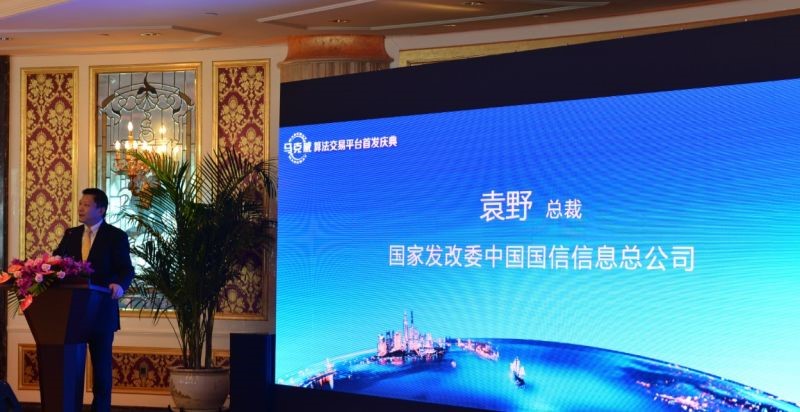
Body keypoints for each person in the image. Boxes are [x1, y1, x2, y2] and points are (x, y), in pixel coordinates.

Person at [53, 188, 134, 412]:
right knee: (71, 367)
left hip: (101, 312)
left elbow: (126, 269)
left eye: (86, 205)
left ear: (101, 209)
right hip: (72, 313)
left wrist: (120, 285)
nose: (80, 208)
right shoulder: (71, 234)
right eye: (80, 204)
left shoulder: (115, 236)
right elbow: (57, 260)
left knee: (101, 369)